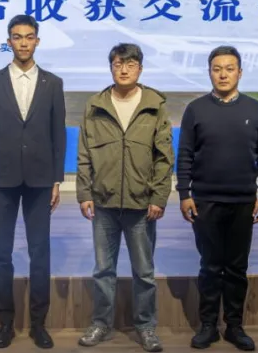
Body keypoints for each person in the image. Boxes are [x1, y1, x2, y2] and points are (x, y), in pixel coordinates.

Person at [75, 43, 173, 353]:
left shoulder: (155, 105)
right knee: (103, 270)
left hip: (141, 204)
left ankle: (146, 327)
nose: (124, 69)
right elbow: (84, 154)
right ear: (111, 68)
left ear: (140, 68)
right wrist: (84, 193)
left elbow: (164, 157)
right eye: (118, 64)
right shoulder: (95, 105)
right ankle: (101, 323)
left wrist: (159, 196)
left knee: (144, 272)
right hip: (103, 203)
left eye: (130, 64)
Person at [0, 15, 66, 350]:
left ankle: (39, 324)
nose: (24, 42)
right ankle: (5, 323)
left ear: (37, 41)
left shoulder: (53, 83)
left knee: (40, 253)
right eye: (17, 37)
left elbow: (58, 133)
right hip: (1, 178)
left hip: (41, 179)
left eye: (29, 37)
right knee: (1, 253)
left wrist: (57, 180)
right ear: (9, 42)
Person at [177, 45, 258, 352]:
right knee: (209, 266)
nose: (223, 74)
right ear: (209, 72)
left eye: (229, 69)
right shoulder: (195, 109)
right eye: (217, 69)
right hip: (204, 201)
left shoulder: (255, 109)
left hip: (243, 202)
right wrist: (184, 194)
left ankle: (234, 326)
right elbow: (185, 154)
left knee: (236, 268)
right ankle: (208, 325)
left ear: (239, 73)